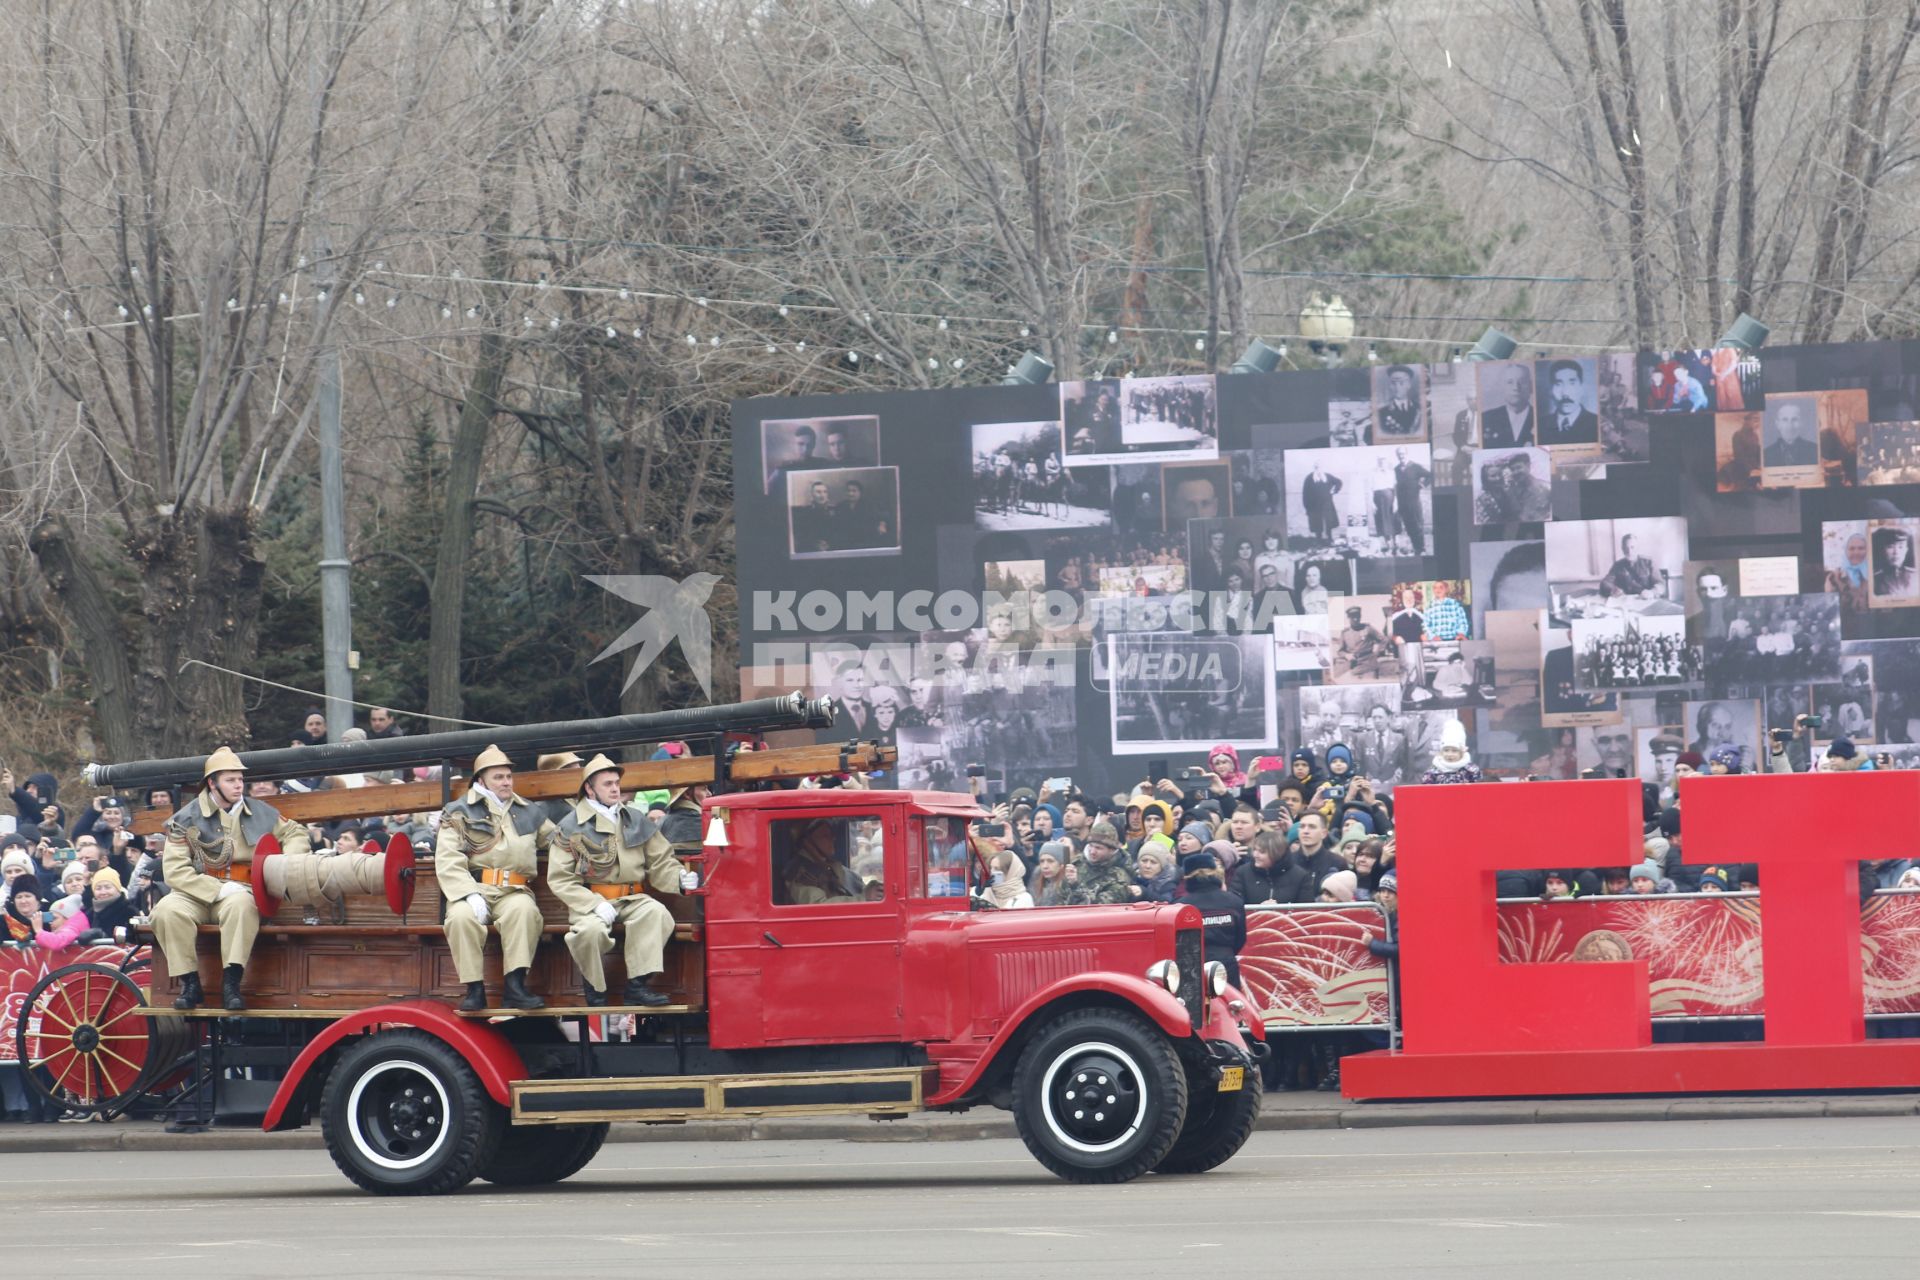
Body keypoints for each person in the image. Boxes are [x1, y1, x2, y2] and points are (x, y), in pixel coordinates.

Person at [151, 747, 312, 1011]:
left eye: (240, 779)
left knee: (242, 907)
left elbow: (296, 833)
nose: (238, 785)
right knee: (166, 911)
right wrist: (215, 890)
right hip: (195, 890)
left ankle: (231, 984)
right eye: (230, 780)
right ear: (212, 783)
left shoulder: (260, 812)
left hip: (243, 888)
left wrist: (287, 861)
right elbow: (175, 871)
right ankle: (190, 983)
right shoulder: (185, 819)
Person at [547, 754, 697, 1007]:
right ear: (589, 789)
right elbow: (561, 879)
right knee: (589, 932)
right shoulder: (570, 826)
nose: (615, 788)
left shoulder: (634, 818)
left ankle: (637, 986)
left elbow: (660, 861)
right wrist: (593, 904)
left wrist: (680, 878)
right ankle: (595, 990)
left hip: (632, 897)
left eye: (616, 782)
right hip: (592, 901)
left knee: (656, 913)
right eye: (607, 784)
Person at [435, 744, 554, 1012]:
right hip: (476, 887)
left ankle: (515, 987)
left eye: (508, 776)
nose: (506, 782)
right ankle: (474, 989)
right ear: (481, 780)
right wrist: (468, 893)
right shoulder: (459, 811)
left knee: (524, 912)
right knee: (460, 917)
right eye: (498, 777)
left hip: (514, 890)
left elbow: (558, 840)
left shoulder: (527, 810)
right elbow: (447, 857)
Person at [1179, 851, 1246, 987]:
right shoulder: (1233, 901)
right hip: (1226, 963)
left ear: (1187, 877)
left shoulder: (1181, 906)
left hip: (1192, 965)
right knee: (1230, 1004)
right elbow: (1241, 938)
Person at [1063, 821, 1133, 905]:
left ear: (1111, 850)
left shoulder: (1120, 878)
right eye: (1091, 846)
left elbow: (1099, 907)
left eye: (1098, 848)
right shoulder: (1077, 863)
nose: (1092, 851)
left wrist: (1075, 886)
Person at [1539, 360, 1599, 445]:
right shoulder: (1540, 426)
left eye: (1572, 383)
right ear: (1550, 391)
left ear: (1582, 388)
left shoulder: (1596, 424)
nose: (1565, 393)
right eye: (1558, 384)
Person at [1480, 366, 1536, 448]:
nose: (1516, 387)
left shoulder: (1541, 418)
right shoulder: (1486, 418)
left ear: (1531, 386)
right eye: (1510, 382)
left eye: (1522, 381)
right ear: (1502, 387)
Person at [1393, 447, 1432, 555]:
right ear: (1397, 455)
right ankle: (1416, 549)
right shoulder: (1396, 469)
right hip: (1402, 503)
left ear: (1407, 454)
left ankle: (1422, 549)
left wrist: (1423, 484)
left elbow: (1430, 475)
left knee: (1418, 526)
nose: (1401, 456)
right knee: (1409, 527)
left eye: (1403, 454)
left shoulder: (1415, 466)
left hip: (1414, 502)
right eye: (1399, 454)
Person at [1599, 533, 1661, 598]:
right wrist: (1613, 589)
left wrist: (1652, 592)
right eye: (1626, 548)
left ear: (1638, 548)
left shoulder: (1649, 562)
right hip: (1626, 602)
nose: (1629, 551)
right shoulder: (1617, 565)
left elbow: (1661, 584)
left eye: (1632, 547)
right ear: (1622, 549)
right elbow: (1605, 583)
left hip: (1646, 601)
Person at [1421, 718, 1482, 784]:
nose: (1449, 754)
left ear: (1461, 752)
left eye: (1454, 751)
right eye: (1446, 750)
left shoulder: (1472, 771)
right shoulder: (1432, 773)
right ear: (1441, 751)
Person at [1765, 401, 1817, 467]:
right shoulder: (1766, 454)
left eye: (1795, 419)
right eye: (1785, 420)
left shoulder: (1814, 450)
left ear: (1801, 422)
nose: (1789, 426)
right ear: (1777, 424)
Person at [1300, 462, 1343, 542]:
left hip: (1327, 504)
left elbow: (1339, 482)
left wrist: (1334, 490)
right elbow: (1305, 493)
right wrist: (1307, 507)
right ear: (1314, 468)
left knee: (1329, 521)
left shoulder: (1327, 476)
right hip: (1314, 505)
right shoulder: (1309, 478)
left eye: (1320, 467)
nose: (1318, 469)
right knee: (1317, 523)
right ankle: (1318, 540)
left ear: (1322, 468)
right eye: (1317, 467)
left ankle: (1329, 538)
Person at [1873, 524, 1917, 599]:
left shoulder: (1915, 576)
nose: (1896, 552)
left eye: (1901, 547)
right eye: (1890, 546)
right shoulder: (1875, 580)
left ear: (1906, 550)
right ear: (1883, 550)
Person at [1131, 839, 1178, 903]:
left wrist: (1144, 893)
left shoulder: (1167, 883)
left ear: (1162, 866)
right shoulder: (1130, 877)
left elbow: (1166, 902)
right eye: (1144, 861)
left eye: (1153, 862)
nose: (1147, 866)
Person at [1029, 840, 1072, 906]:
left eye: (1050, 861)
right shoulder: (1035, 882)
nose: (1045, 866)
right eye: (1042, 861)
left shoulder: (1070, 885)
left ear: (1061, 865)